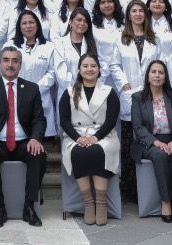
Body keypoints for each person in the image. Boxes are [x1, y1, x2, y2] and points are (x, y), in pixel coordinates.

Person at [0, 46, 46, 228]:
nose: (10, 64)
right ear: (0, 63)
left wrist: (35, 138)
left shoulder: (31, 88)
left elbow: (39, 119)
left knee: (38, 154)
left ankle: (29, 206)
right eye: (6, 60)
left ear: (20, 65)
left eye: (15, 61)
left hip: (24, 142)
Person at [59, 53, 119, 227]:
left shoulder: (108, 91)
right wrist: (78, 138)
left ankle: (100, 203)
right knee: (78, 153)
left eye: (93, 66)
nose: (89, 69)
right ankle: (88, 203)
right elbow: (64, 120)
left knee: (99, 151)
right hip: (76, 136)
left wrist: (95, 137)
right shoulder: (69, 92)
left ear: (99, 69)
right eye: (85, 66)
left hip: (103, 135)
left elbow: (111, 119)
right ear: (79, 69)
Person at [129, 59, 172, 223]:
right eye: (153, 72)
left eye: (161, 72)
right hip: (149, 142)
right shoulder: (138, 98)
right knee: (159, 155)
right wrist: (156, 142)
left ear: (165, 77)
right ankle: (165, 202)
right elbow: (138, 127)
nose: (157, 75)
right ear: (147, 76)